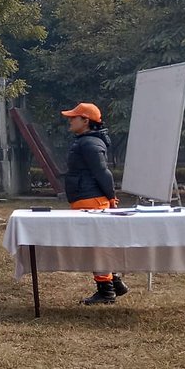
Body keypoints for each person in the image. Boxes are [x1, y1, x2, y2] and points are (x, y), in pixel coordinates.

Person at [62, 102, 128, 305]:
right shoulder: (85, 141)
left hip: (91, 200)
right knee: (96, 245)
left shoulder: (89, 143)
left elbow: (102, 173)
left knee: (96, 248)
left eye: (74, 117)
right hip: (85, 198)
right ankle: (114, 282)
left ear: (86, 121)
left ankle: (106, 291)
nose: (70, 120)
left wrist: (111, 197)